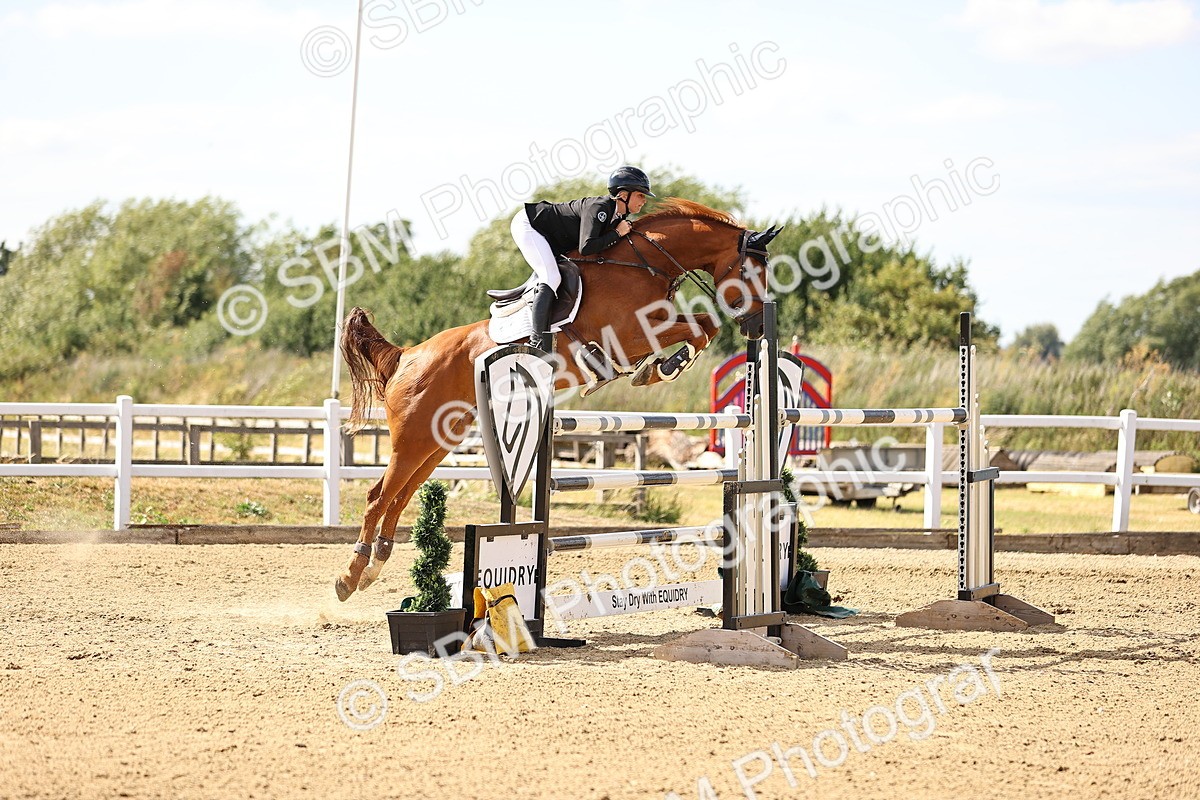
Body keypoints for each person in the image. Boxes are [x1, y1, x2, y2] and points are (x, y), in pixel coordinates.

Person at [511, 166, 654, 350]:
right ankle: (537, 342)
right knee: (551, 277)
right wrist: (617, 234)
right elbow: (586, 247)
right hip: (530, 225)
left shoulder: (619, 215)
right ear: (623, 195)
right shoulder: (600, 208)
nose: (644, 201)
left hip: (551, 237)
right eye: (641, 195)